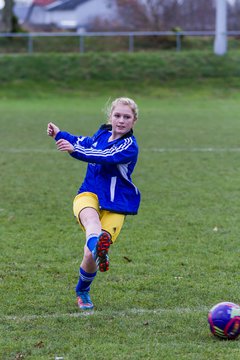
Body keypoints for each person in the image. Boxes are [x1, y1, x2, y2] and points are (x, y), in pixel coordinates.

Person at [47, 97, 141, 311]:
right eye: (117, 115)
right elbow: (85, 142)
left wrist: (74, 151)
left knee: (89, 254)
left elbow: (102, 156)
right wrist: (59, 135)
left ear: (134, 121)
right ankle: (100, 251)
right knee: (91, 223)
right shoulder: (102, 135)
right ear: (110, 117)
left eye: (127, 117)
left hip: (116, 204)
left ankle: (83, 288)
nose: (121, 120)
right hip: (89, 194)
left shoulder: (129, 146)